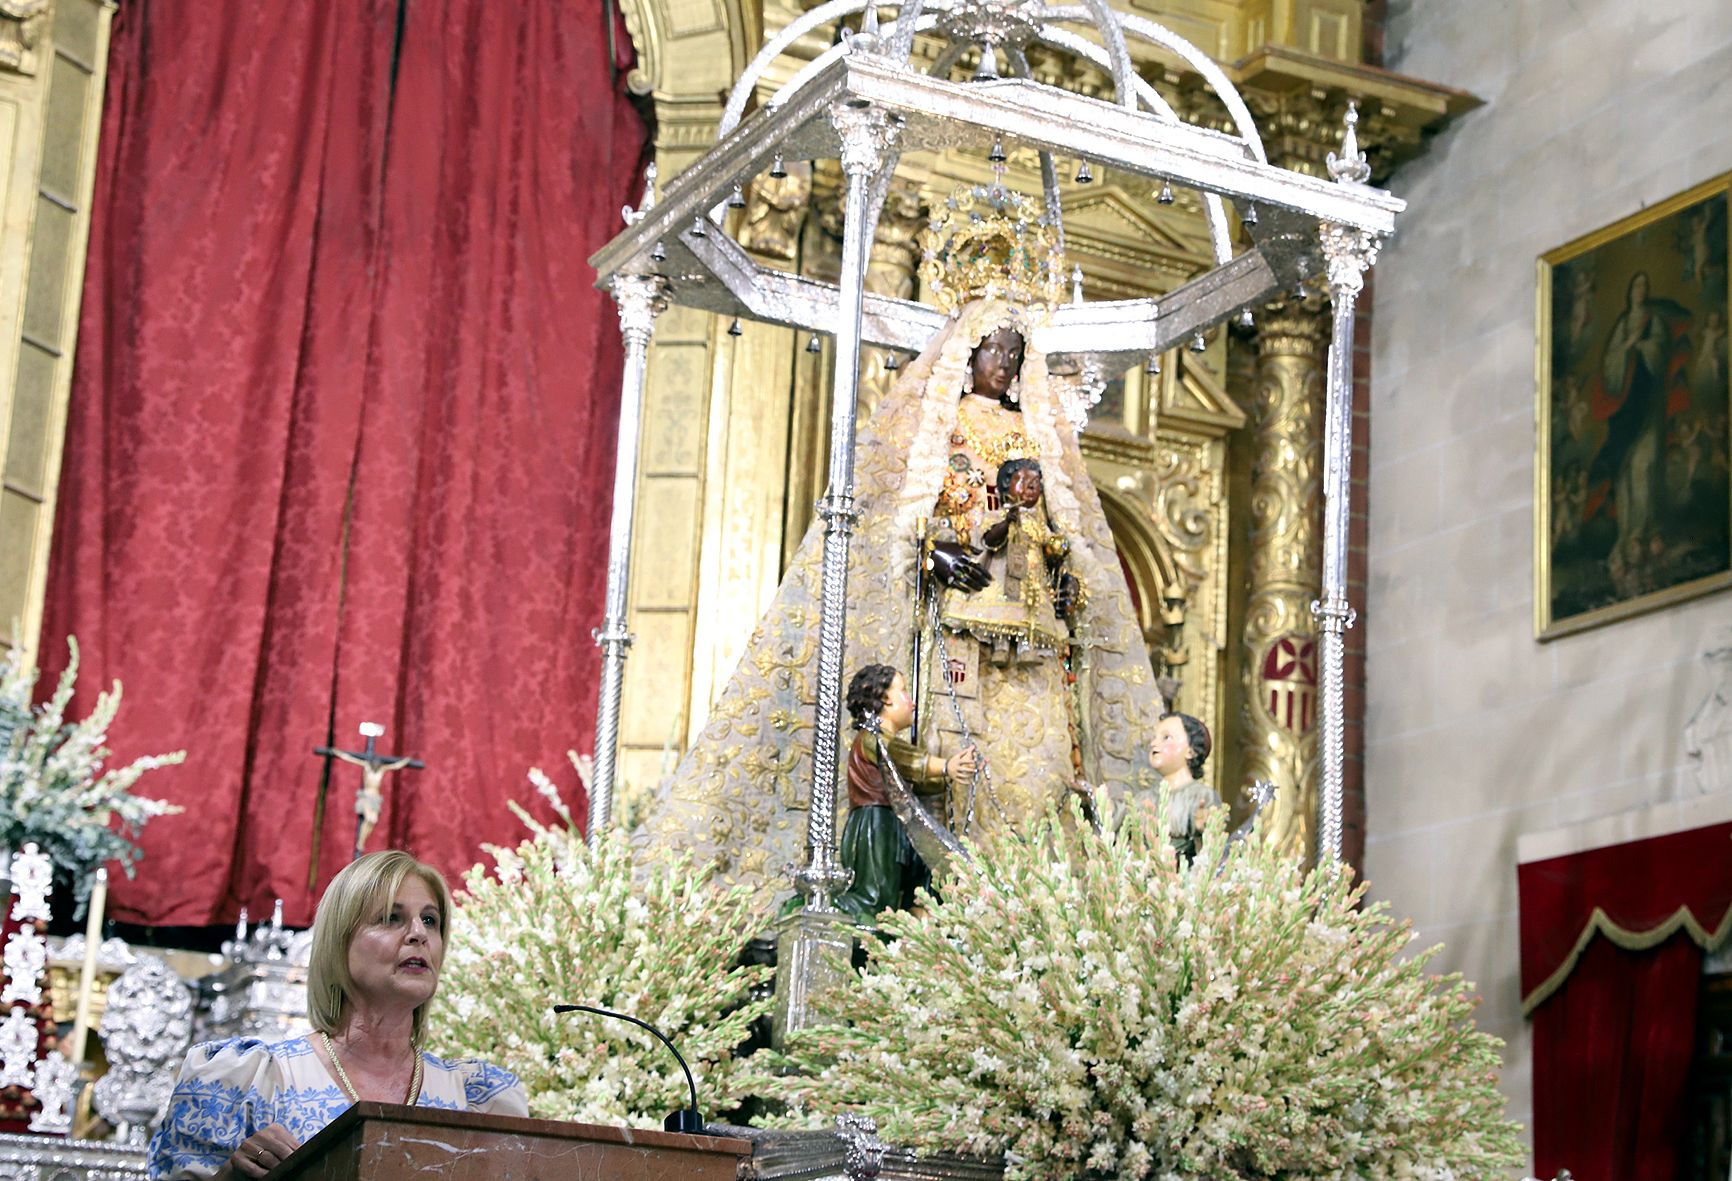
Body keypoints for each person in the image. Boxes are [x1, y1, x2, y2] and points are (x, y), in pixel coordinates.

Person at [641, 189, 1161, 884]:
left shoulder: (1040, 435)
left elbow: (1063, 525)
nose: (1003, 364)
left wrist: (1067, 574)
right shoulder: (934, 427)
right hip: (959, 631)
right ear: (966, 353)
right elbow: (901, 521)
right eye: (992, 349)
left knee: (1038, 783)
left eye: (1014, 351)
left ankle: (1034, 904)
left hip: (1032, 640)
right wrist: (931, 551)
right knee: (960, 771)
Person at [148, 852, 527, 1180]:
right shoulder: (250, 1078)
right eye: (391, 918)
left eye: (430, 920)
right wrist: (234, 1176)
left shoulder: (477, 1097)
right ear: (338, 941)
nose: (418, 934)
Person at [832, 665, 979, 920]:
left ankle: (916, 926)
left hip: (899, 824)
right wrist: (945, 766)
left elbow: (915, 781)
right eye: (903, 691)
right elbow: (906, 760)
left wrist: (945, 775)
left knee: (930, 869)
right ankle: (829, 911)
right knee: (876, 895)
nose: (911, 701)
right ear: (886, 699)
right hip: (874, 825)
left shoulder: (887, 741)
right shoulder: (872, 739)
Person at [1148, 711, 1221, 861]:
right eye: (1154, 737)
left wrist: (1204, 831)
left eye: (1166, 737)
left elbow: (1213, 852)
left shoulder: (1202, 796)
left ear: (1190, 751)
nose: (1153, 743)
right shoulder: (1143, 798)